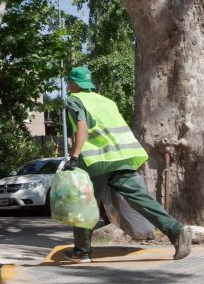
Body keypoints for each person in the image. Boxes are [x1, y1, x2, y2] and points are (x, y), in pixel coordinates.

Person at [62, 66, 193, 263]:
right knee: (140, 199)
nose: (68, 86)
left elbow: (83, 128)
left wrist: (73, 158)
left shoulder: (75, 100)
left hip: (96, 161)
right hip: (122, 157)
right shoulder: (106, 101)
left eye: (69, 82)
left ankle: (82, 252)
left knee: (84, 205)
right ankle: (176, 231)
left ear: (74, 83)